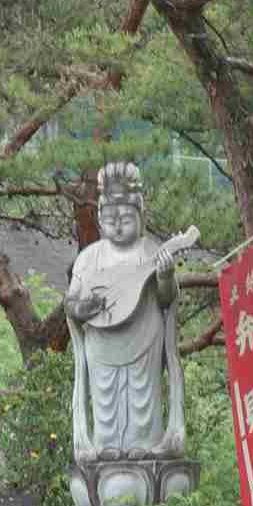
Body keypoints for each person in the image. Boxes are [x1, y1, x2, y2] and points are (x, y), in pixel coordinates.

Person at [65, 163, 186, 462]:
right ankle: (106, 446)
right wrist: (81, 308)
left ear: (140, 217)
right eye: (110, 220)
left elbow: (166, 299)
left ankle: (145, 445)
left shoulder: (151, 250)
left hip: (143, 337)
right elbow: (72, 302)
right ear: (100, 219)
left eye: (126, 219)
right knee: (105, 399)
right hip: (101, 343)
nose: (118, 226)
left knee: (141, 395)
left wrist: (166, 276)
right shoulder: (89, 258)